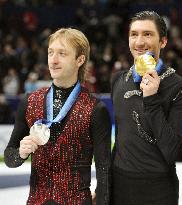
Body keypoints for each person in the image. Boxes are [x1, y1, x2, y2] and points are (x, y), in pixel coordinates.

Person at [4, 28, 111, 205]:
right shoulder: (30, 101)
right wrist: (20, 153)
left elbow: (104, 171)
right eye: (50, 53)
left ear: (80, 59)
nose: (53, 60)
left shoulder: (95, 109)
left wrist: (101, 200)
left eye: (62, 53)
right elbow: (10, 158)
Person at [111, 10, 182, 205]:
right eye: (134, 34)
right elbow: (121, 142)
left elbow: (172, 151)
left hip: (158, 192)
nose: (139, 42)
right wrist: (104, 187)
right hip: (119, 189)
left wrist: (151, 99)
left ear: (163, 41)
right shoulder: (118, 80)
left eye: (147, 34)